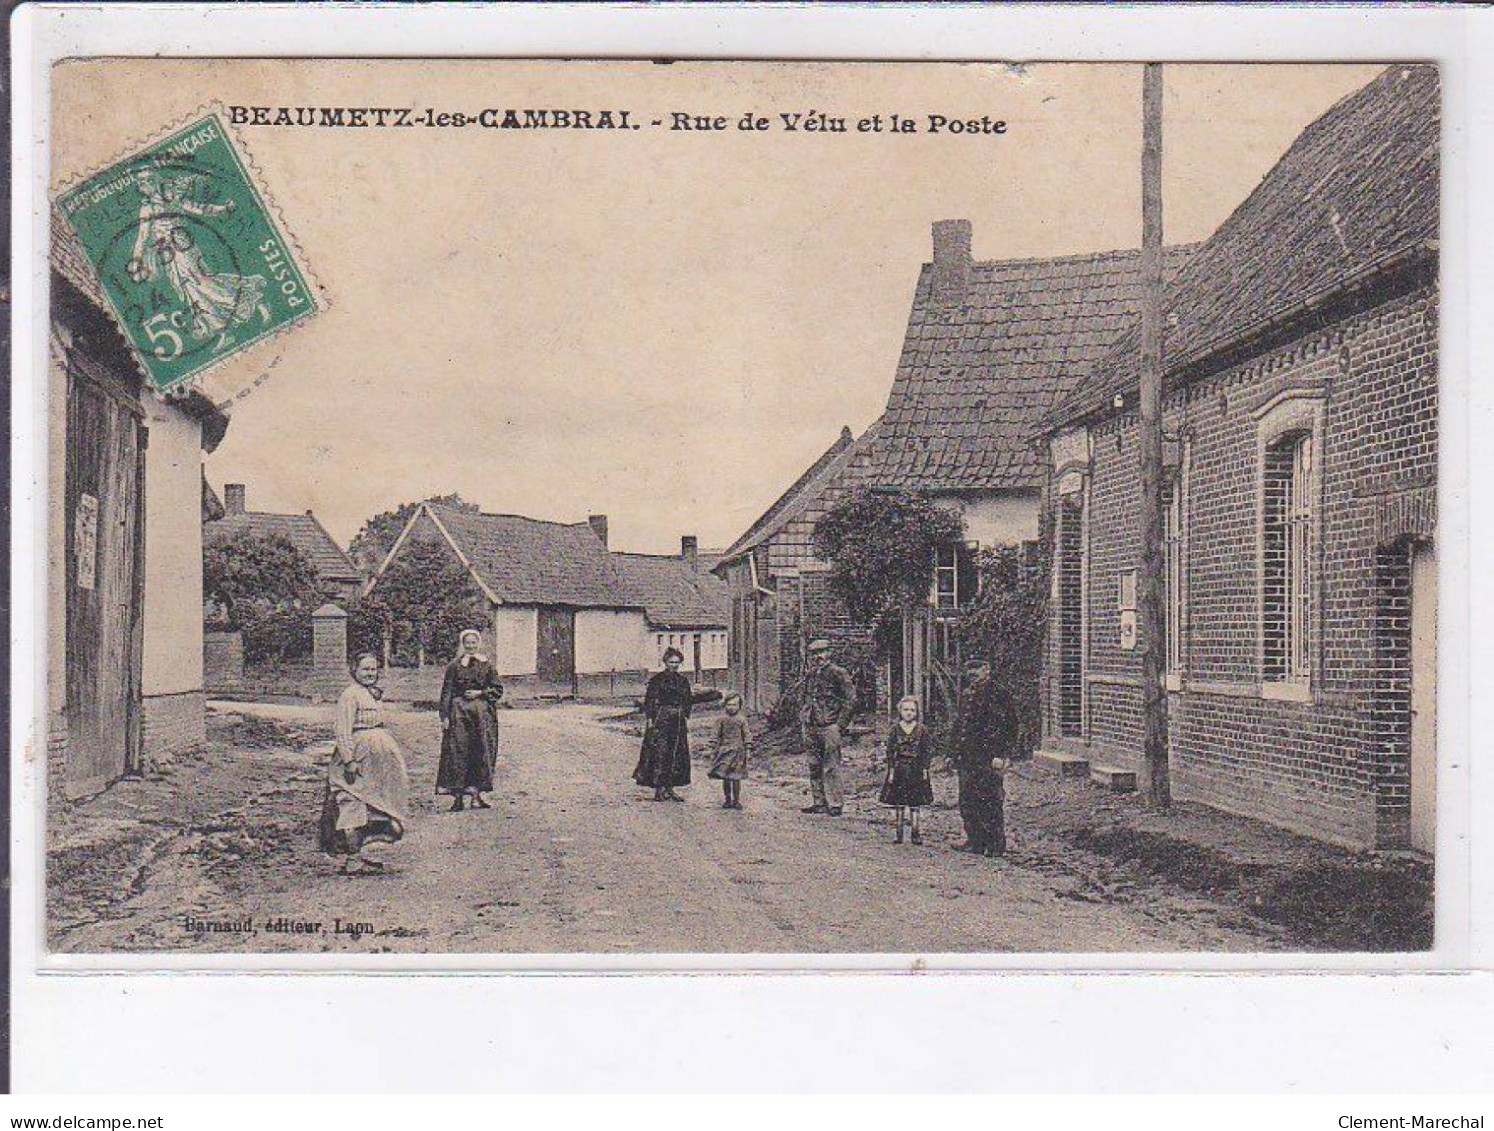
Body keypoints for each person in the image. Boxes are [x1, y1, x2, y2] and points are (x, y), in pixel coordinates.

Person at [318, 653, 411, 876]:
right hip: (357, 759)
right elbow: (342, 731)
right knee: (352, 801)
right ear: (354, 671)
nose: (370, 673)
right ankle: (352, 859)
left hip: (377, 763)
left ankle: (360, 853)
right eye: (365, 669)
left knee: (377, 803)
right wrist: (349, 760)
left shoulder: (373, 694)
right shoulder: (350, 695)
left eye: (373, 669)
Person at [952, 659, 1020, 857]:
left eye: (977, 669)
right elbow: (960, 725)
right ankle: (975, 840)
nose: (973, 673)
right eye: (969, 670)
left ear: (987, 670)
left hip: (988, 757)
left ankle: (995, 844)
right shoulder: (967, 694)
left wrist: (1001, 754)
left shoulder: (999, 694)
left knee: (990, 798)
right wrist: (952, 752)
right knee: (967, 799)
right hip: (967, 756)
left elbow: (1010, 726)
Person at [437, 628, 504, 812]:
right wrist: (444, 716)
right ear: (462, 644)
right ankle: (457, 798)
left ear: (479, 644)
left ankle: (476, 796)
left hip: (482, 716)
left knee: (480, 751)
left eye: (474, 643)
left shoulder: (487, 665)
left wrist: (480, 693)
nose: (471, 646)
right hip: (458, 714)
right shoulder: (454, 666)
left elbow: (497, 689)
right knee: (457, 753)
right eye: (467, 643)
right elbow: (446, 692)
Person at [799, 638, 857, 817]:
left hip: (830, 725)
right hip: (811, 724)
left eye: (821, 652)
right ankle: (819, 802)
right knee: (814, 764)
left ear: (829, 653)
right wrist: (804, 716)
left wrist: (840, 724)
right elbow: (805, 697)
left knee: (831, 766)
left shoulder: (839, 673)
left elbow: (851, 700)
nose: (818, 657)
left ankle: (835, 803)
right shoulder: (811, 674)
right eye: (814, 654)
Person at [632, 647, 693, 802]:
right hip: (661, 719)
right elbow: (650, 700)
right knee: (660, 753)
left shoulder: (683, 681)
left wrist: (685, 714)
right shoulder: (657, 680)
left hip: (677, 721)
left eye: (677, 662)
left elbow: (688, 699)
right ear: (665, 662)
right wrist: (650, 719)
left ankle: (670, 788)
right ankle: (659, 789)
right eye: (671, 662)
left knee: (676, 754)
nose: (674, 665)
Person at [879, 695, 935, 845]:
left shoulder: (922, 730)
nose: (909, 712)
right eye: (906, 710)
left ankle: (916, 832)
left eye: (912, 710)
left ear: (916, 712)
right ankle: (899, 832)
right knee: (899, 801)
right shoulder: (895, 729)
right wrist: (891, 771)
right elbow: (890, 752)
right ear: (900, 711)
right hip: (900, 769)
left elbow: (926, 751)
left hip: (916, 769)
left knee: (915, 802)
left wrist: (925, 770)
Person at [708, 692, 752, 810]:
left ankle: (736, 800)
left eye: (734, 705)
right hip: (725, 752)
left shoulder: (742, 720)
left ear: (739, 706)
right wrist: (713, 748)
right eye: (729, 705)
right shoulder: (721, 720)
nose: (731, 707)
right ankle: (727, 799)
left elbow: (747, 735)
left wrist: (748, 749)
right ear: (724, 705)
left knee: (736, 777)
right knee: (726, 777)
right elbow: (715, 734)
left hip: (738, 752)